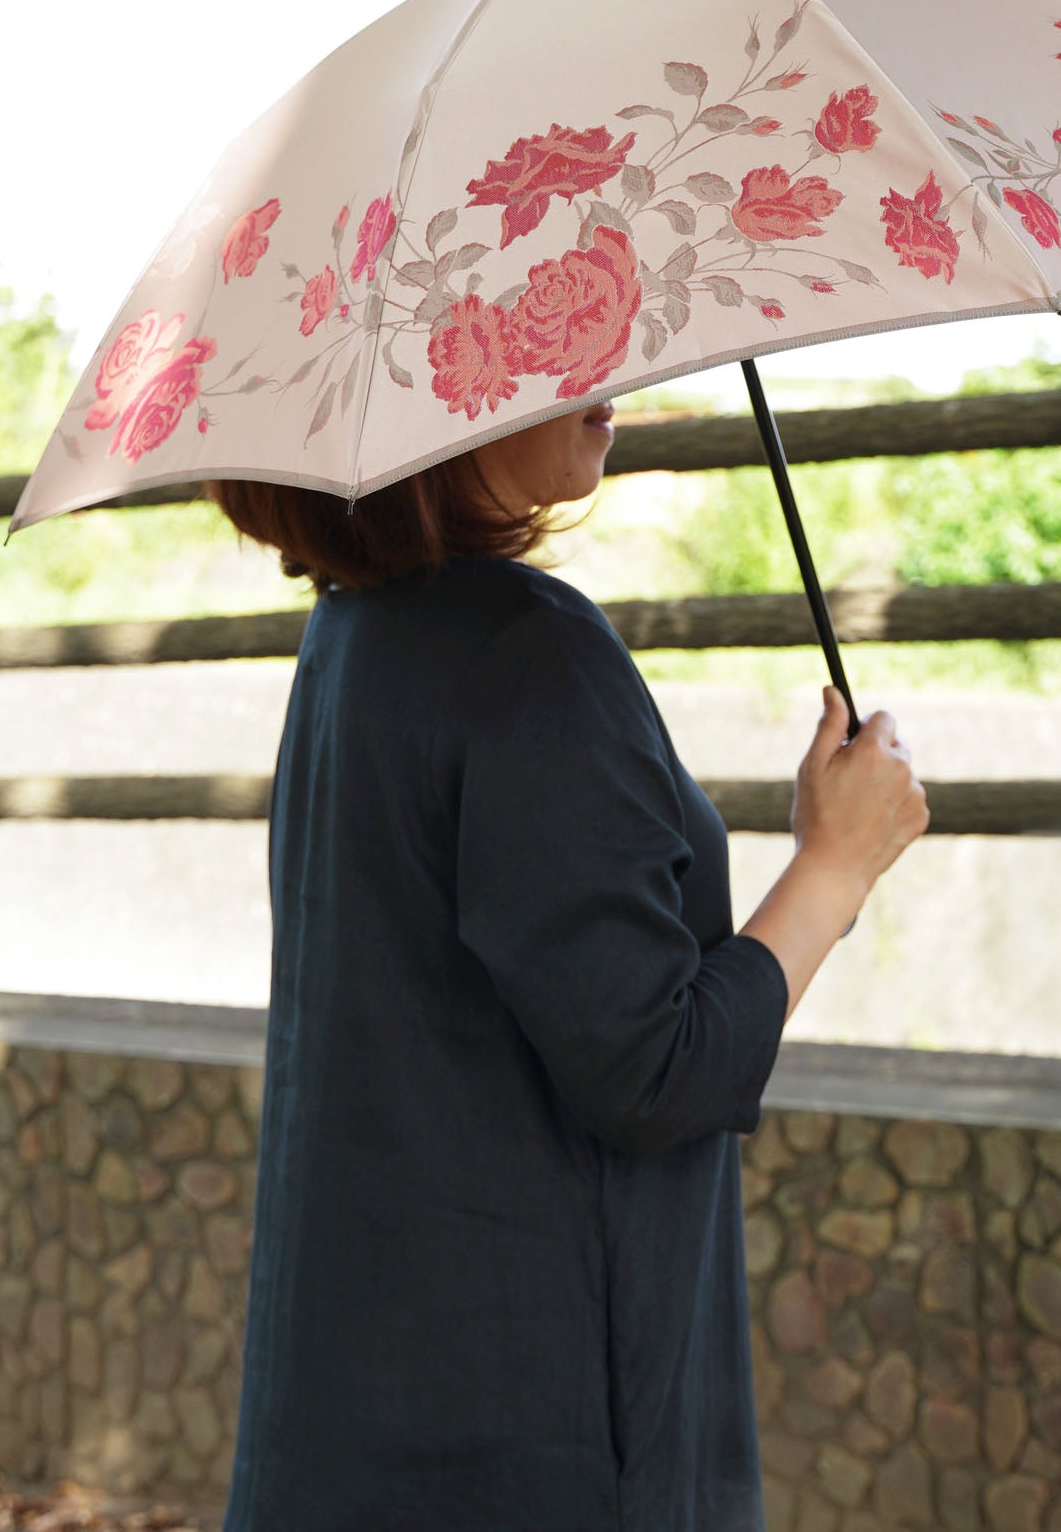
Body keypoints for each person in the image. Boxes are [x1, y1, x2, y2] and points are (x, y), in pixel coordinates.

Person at [208, 395, 930, 1532]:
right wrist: (833, 870)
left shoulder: (358, 631)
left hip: (374, 1390)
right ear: (433, 403)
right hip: (532, 1419)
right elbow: (658, 1069)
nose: (600, 366)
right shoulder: (523, 651)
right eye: (540, 335)